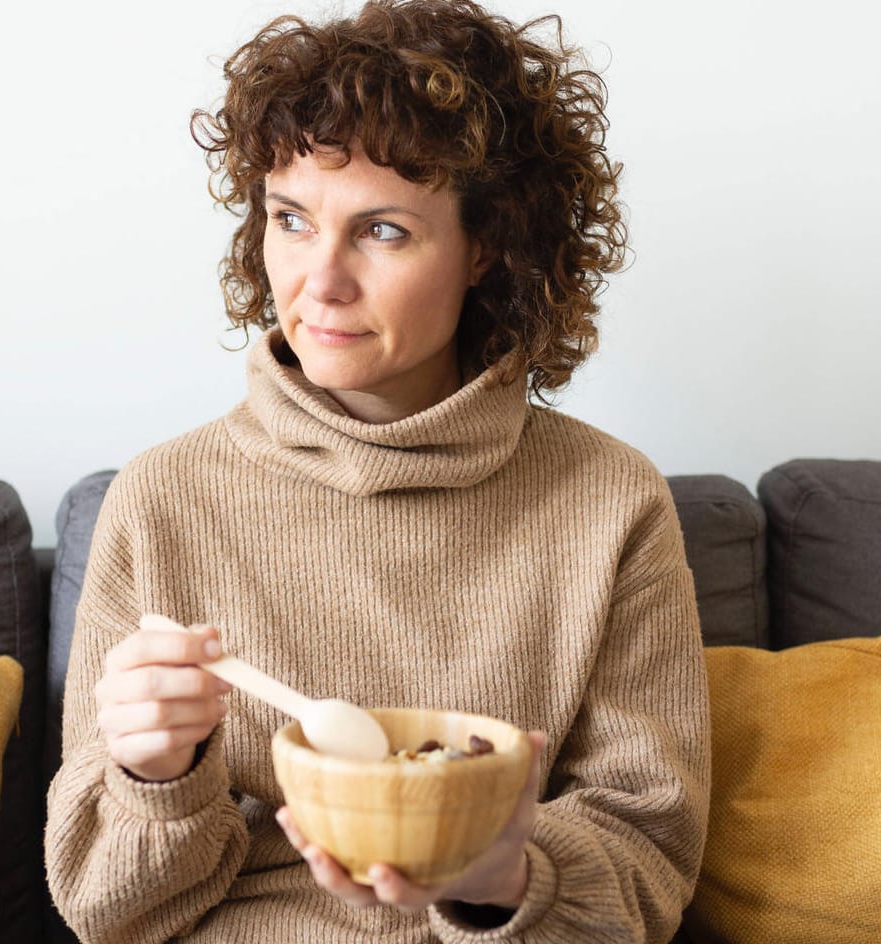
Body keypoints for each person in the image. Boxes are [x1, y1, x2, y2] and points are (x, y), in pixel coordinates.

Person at [45, 1, 710, 940]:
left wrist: (501, 876)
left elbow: (649, 861)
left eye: (383, 231)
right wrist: (156, 779)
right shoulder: (163, 499)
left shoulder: (608, 502)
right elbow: (103, 912)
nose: (320, 281)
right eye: (291, 219)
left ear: (488, 247)